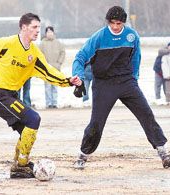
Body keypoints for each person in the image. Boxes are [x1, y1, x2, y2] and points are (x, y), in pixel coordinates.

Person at [0, 13, 81, 178]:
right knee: (33, 119)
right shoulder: (6, 44)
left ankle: (17, 166)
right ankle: (21, 165)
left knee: (27, 130)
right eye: (34, 27)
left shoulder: (34, 53)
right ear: (23, 27)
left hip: (11, 96)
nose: (38, 31)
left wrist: (68, 81)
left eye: (39, 27)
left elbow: (47, 71)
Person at [72, 6, 170, 170]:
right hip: (103, 84)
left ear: (123, 22)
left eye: (119, 23)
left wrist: (134, 79)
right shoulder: (99, 37)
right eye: (112, 23)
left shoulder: (131, 36)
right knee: (96, 123)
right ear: (108, 22)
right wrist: (79, 77)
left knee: (147, 114)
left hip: (126, 81)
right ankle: (83, 155)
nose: (116, 26)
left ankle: (163, 152)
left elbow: (136, 58)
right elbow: (80, 57)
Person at [39, 26, 65, 108]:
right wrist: (44, 64)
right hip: (46, 69)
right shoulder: (42, 43)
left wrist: (59, 63)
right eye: (48, 32)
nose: (49, 33)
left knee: (55, 86)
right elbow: (39, 54)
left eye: (51, 32)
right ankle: (48, 103)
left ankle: (54, 103)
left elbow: (63, 53)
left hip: (56, 68)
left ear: (53, 33)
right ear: (45, 33)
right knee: (47, 87)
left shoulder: (58, 43)